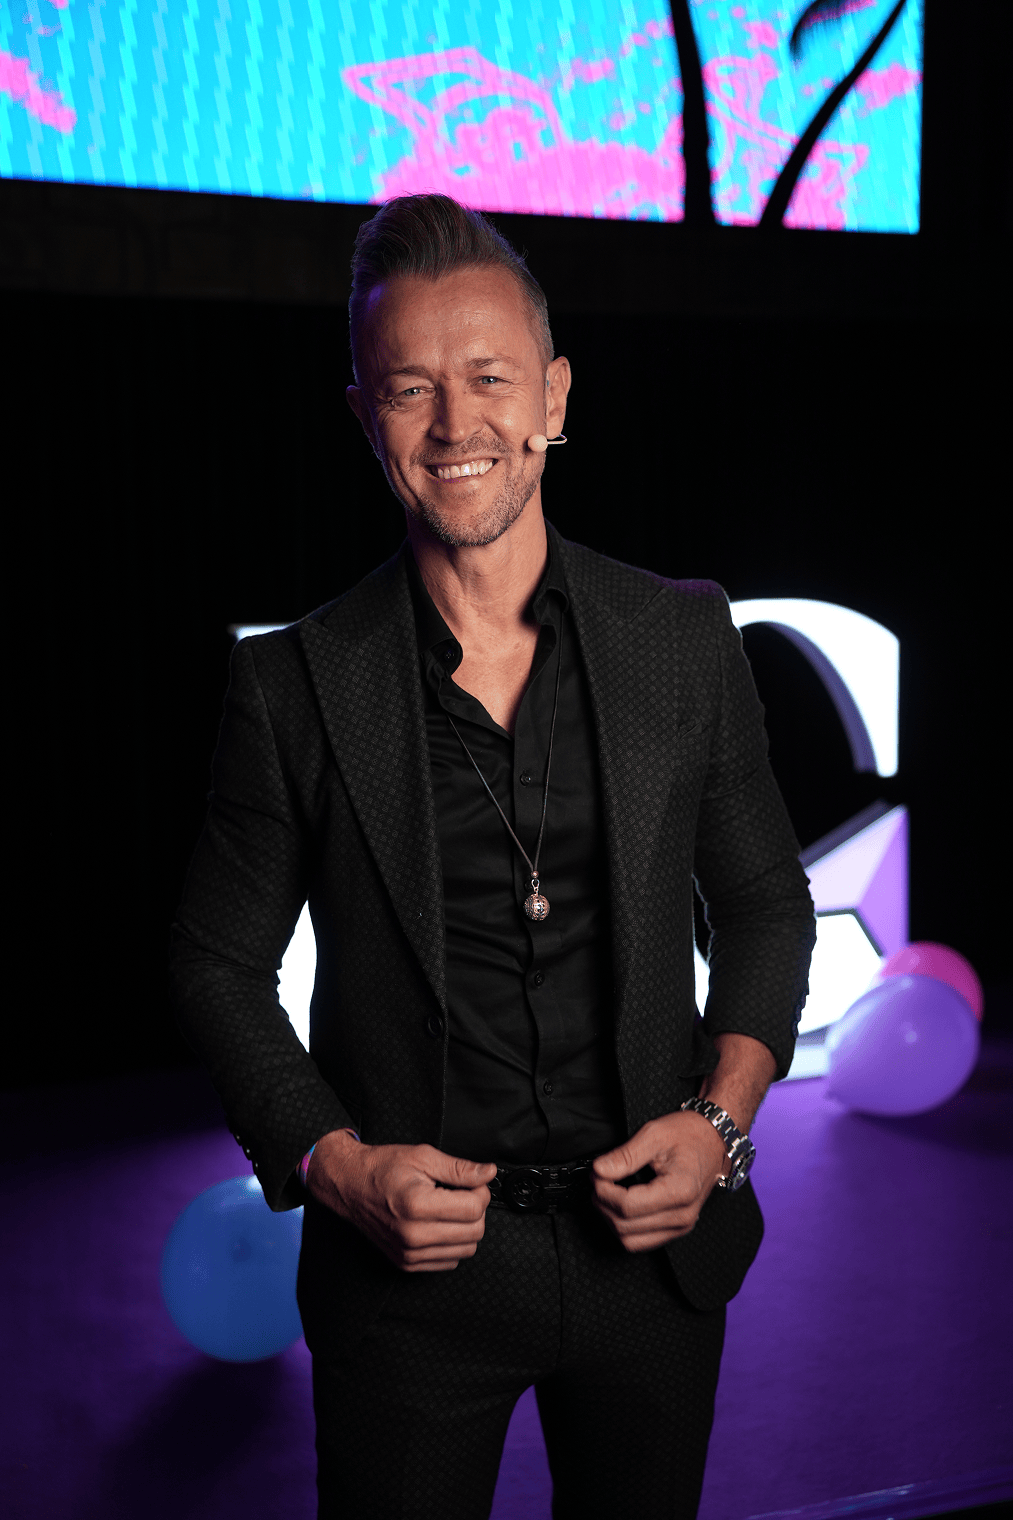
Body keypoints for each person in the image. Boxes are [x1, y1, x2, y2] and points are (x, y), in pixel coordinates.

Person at [169, 192, 816, 1520]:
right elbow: (215, 963)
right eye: (411, 388)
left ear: (554, 396)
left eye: (489, 378)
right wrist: (338, 1166)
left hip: (653, 1259)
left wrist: (722, 1123)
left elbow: (763, 903)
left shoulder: (681, 638)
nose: (455, 425)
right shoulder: (292, 687)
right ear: (365, 416)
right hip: (408, 1288)